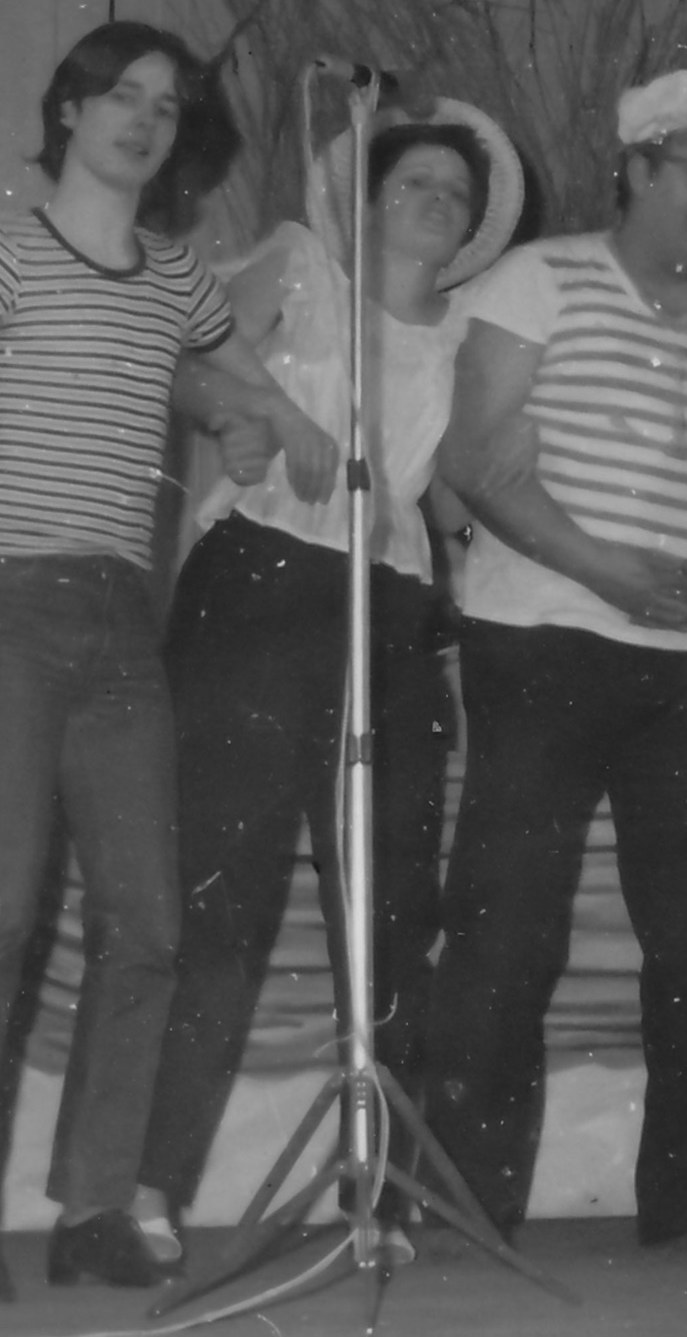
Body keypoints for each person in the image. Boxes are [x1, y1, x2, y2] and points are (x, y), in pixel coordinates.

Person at [0, 21, 320, 1304]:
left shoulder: (177, 278)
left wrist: (261, 423)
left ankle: (92, 1207)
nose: (143, 118)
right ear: (70, 111)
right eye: (120, 95)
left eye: (167, 105)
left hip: (124, 617)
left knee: (147, 924)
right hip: (7, 603)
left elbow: (228, 379)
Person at [424, 69, 687, 1248]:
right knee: (506, 924)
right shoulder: (536, 278)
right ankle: (465, 1198)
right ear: (635, 170)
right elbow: (475, 461)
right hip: (540, 633)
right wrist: (609, 571)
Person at [133, 98, 522, 1257]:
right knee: (224, 898)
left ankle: (377, 1191)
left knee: (389, 910)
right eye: (415, 182)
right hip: (260, 583)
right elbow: (180, 361)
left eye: (456, 192)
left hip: (389, 606)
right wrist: (259, 412)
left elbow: (459, 485)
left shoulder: (469, 333)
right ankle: (149, 1189)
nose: (437, 201)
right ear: (365, 196)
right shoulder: (301, 265)